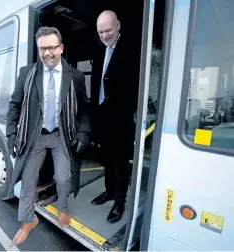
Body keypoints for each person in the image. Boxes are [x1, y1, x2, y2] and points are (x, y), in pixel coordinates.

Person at [6, 26, 91, 245]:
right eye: (42, 48)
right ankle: (27, 221)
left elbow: (84, 110)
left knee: (63, 178)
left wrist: (83, 132)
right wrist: (11, 134)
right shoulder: (27, 73)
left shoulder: (76, 77)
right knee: (27, 182)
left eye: (51, 47)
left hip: (61, 135)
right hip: (34, 136)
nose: (47, 53)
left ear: (61, 48)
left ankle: (62, 207)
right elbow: (15, 105)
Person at [89, 10, 140, 223]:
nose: (104, 35)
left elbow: (135, 86)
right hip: (102, 118)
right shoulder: (100, 52)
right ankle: (109, 191)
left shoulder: (132, 49)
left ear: (118, 25)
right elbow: (96, 85)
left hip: (121, 118)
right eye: (100, 31)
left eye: (108, 29)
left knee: (120, 162)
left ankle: (120, 202)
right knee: (106, 159)